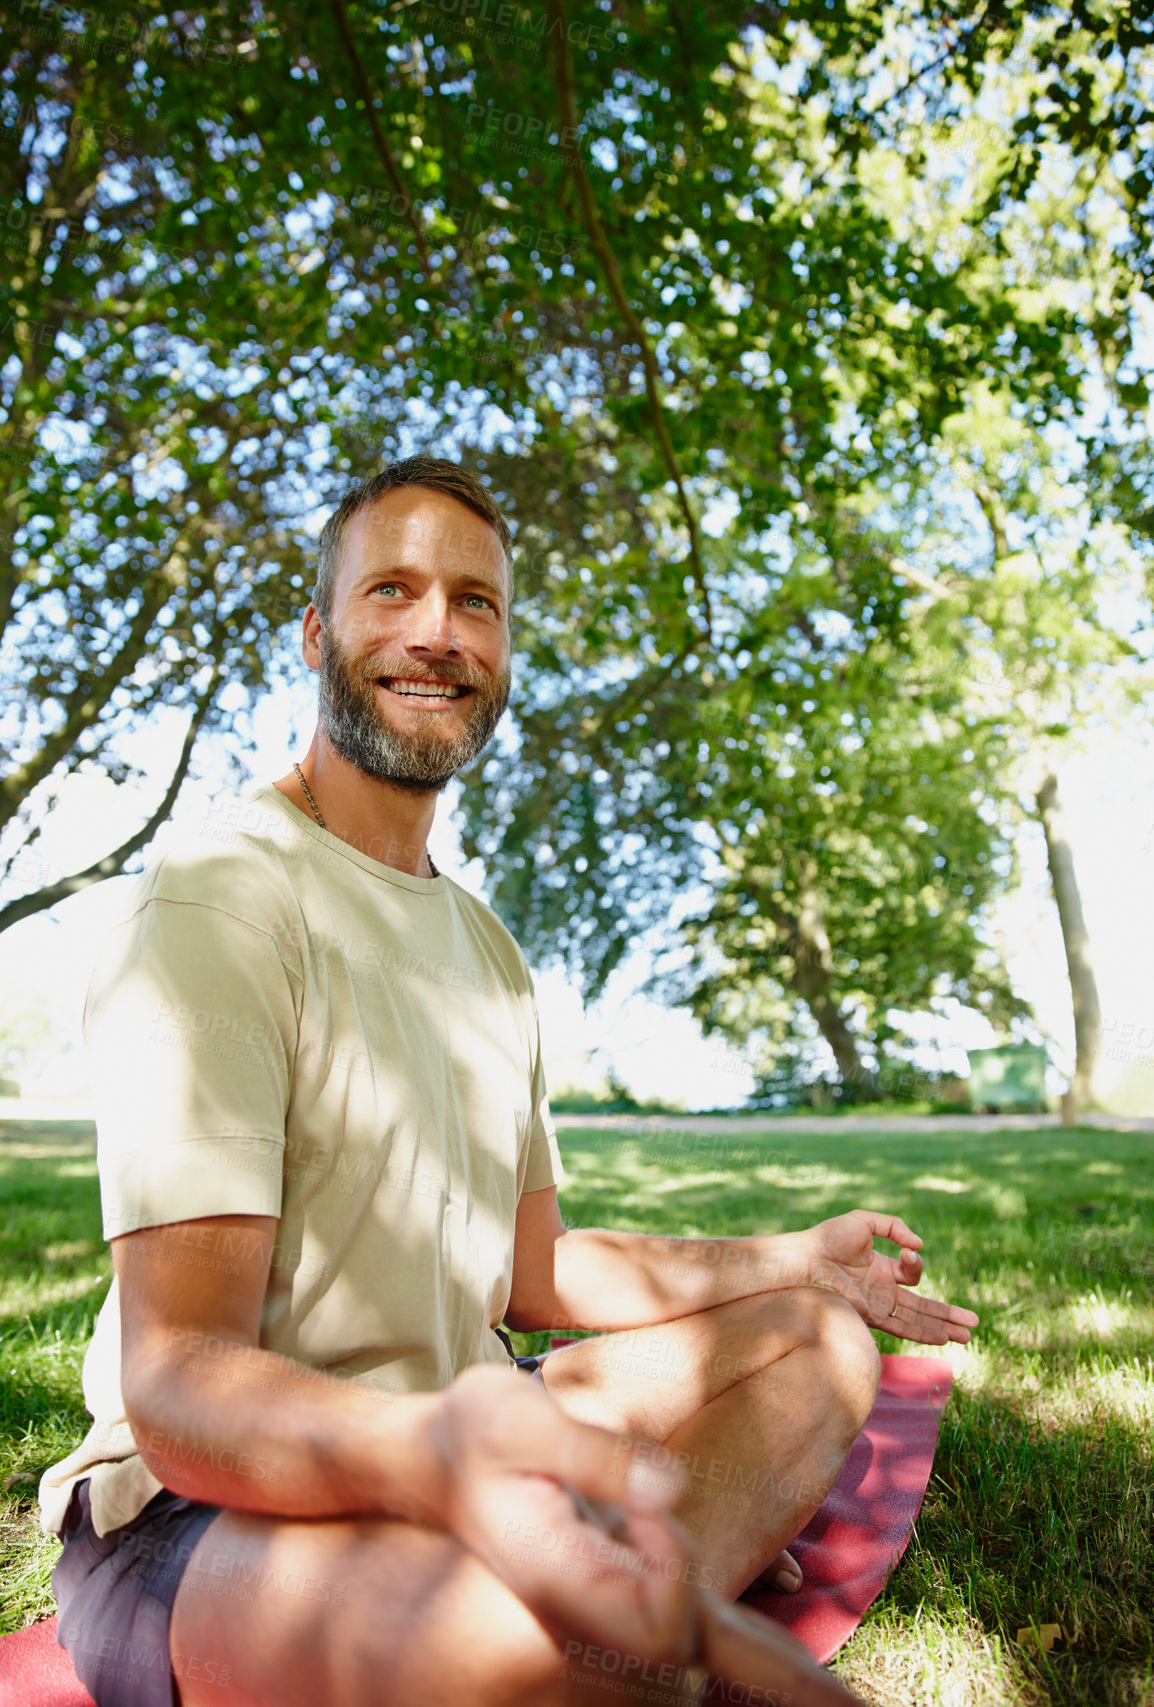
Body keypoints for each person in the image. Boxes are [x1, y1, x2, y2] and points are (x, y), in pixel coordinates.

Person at [40, 456, 978, 1707]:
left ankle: (614, 1629)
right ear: (319, 633)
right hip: (200, 1517)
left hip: (473, 1423)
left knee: (816, 1343)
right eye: (392, 591)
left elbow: (534, 1276)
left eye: (474, 603)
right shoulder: (224, 901)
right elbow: (181, 1385)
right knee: (526, 1658)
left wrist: (792, 1256)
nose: (436, 632)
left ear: (504, 649)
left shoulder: (486, 953)